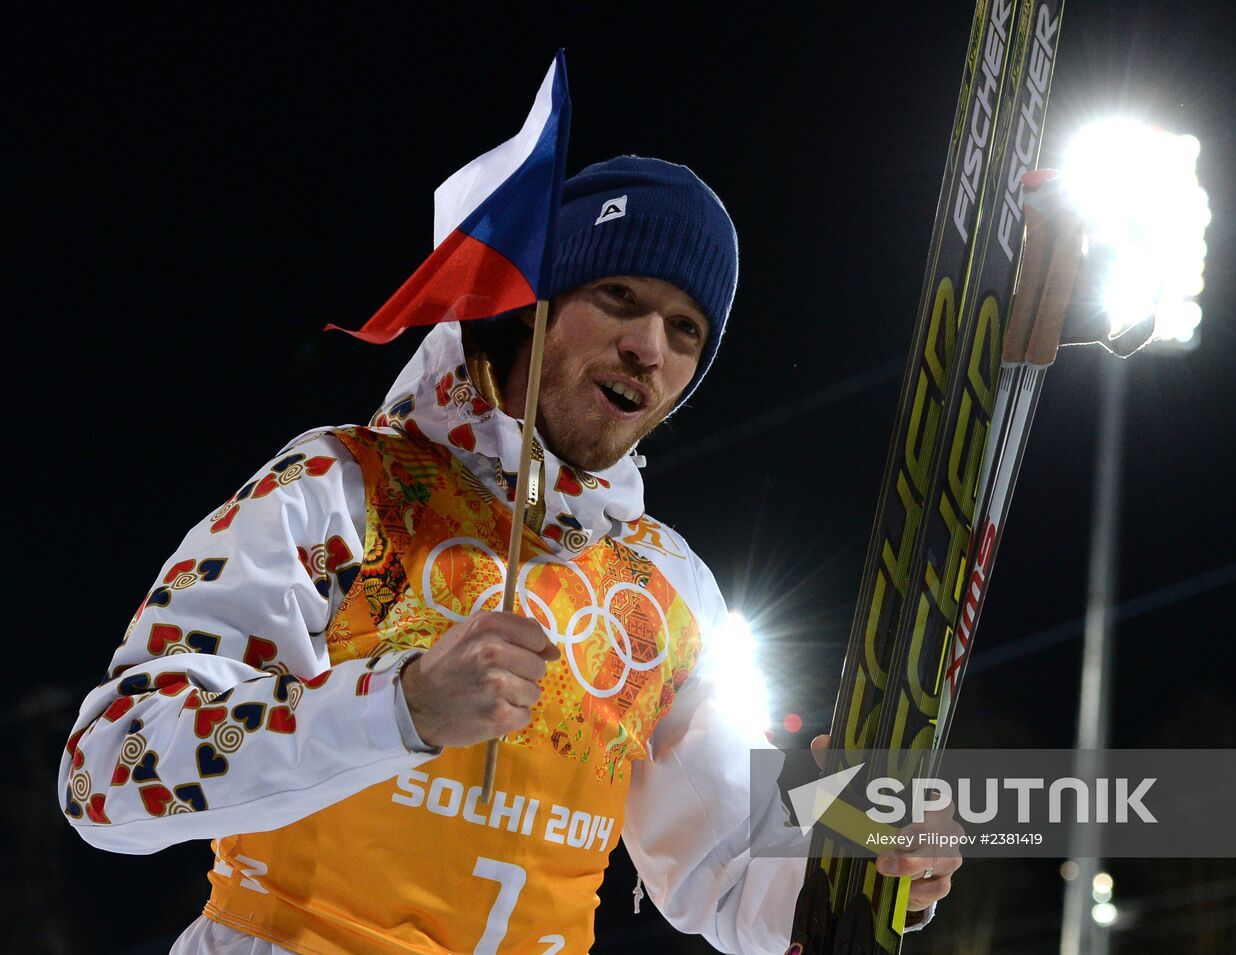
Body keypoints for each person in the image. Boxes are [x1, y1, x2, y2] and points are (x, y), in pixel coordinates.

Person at [58, 156, 958, 954]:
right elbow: (105, 768)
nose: (650, 345)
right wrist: (398, 707)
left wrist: (858, 846)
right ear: (533, 307)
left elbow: (725, 869)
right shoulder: (342, 487)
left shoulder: (668, 591)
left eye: (687, 330)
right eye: (619, 297)